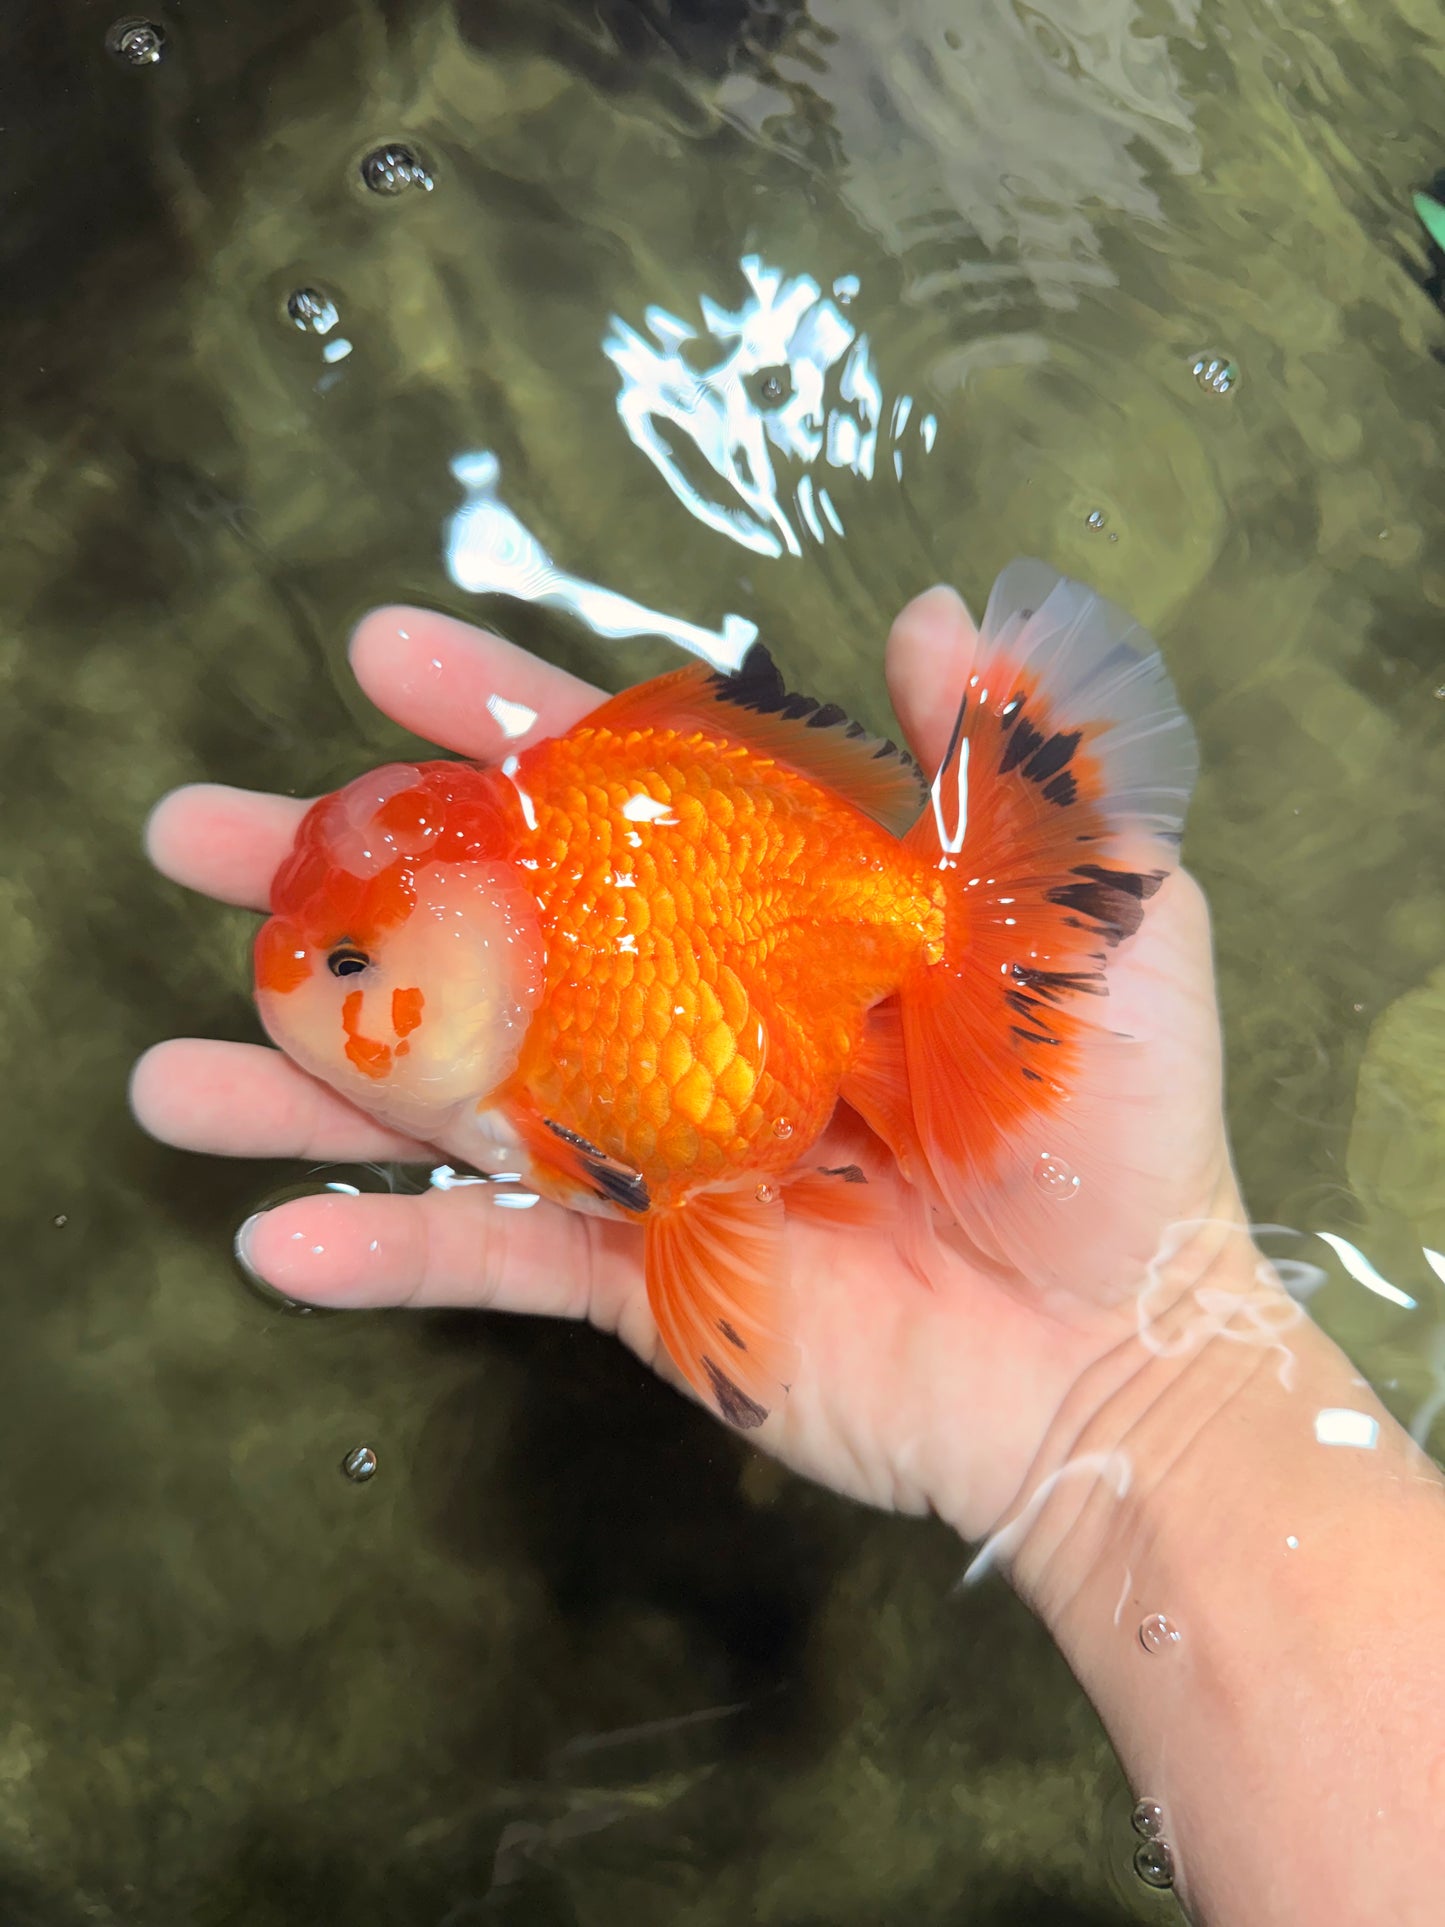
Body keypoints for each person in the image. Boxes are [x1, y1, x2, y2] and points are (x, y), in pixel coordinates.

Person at [130, 586, 1445, 1925]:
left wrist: (1128, 1355)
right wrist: (1153, 1383)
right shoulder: (520, 959)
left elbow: (666, 1182)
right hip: (780, 977)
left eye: (347, 961)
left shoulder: (540, 1058)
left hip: (810, 970)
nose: (293, 978)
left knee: (792, 1074)